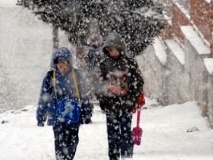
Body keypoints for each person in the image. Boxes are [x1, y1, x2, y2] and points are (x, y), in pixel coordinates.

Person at [36, 47, 93, 160]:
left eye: (66, 65)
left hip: (74, 116)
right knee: (60, 142)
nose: (63, 69)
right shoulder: (50, 77)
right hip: (57, 117)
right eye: (60, 66)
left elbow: (84, 95)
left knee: (73, 141)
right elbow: (44, 98)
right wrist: (41, 116)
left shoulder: (76, 75)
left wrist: (87, 113)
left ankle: (68, 157)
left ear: (70, 63)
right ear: (55, 64)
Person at [95, 32, 144, 160]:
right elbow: (97, 84)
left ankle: (127, 156)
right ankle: (114, 157)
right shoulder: (103, 65)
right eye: (110, 50)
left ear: (121, 49)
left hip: (126, 105)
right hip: (110, 106)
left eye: (116, 49)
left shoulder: (130, 63)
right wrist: (105, 94)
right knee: (112, 135)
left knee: (126, 133)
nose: (113, 52)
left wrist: (131, 95)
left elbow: (138, 81)